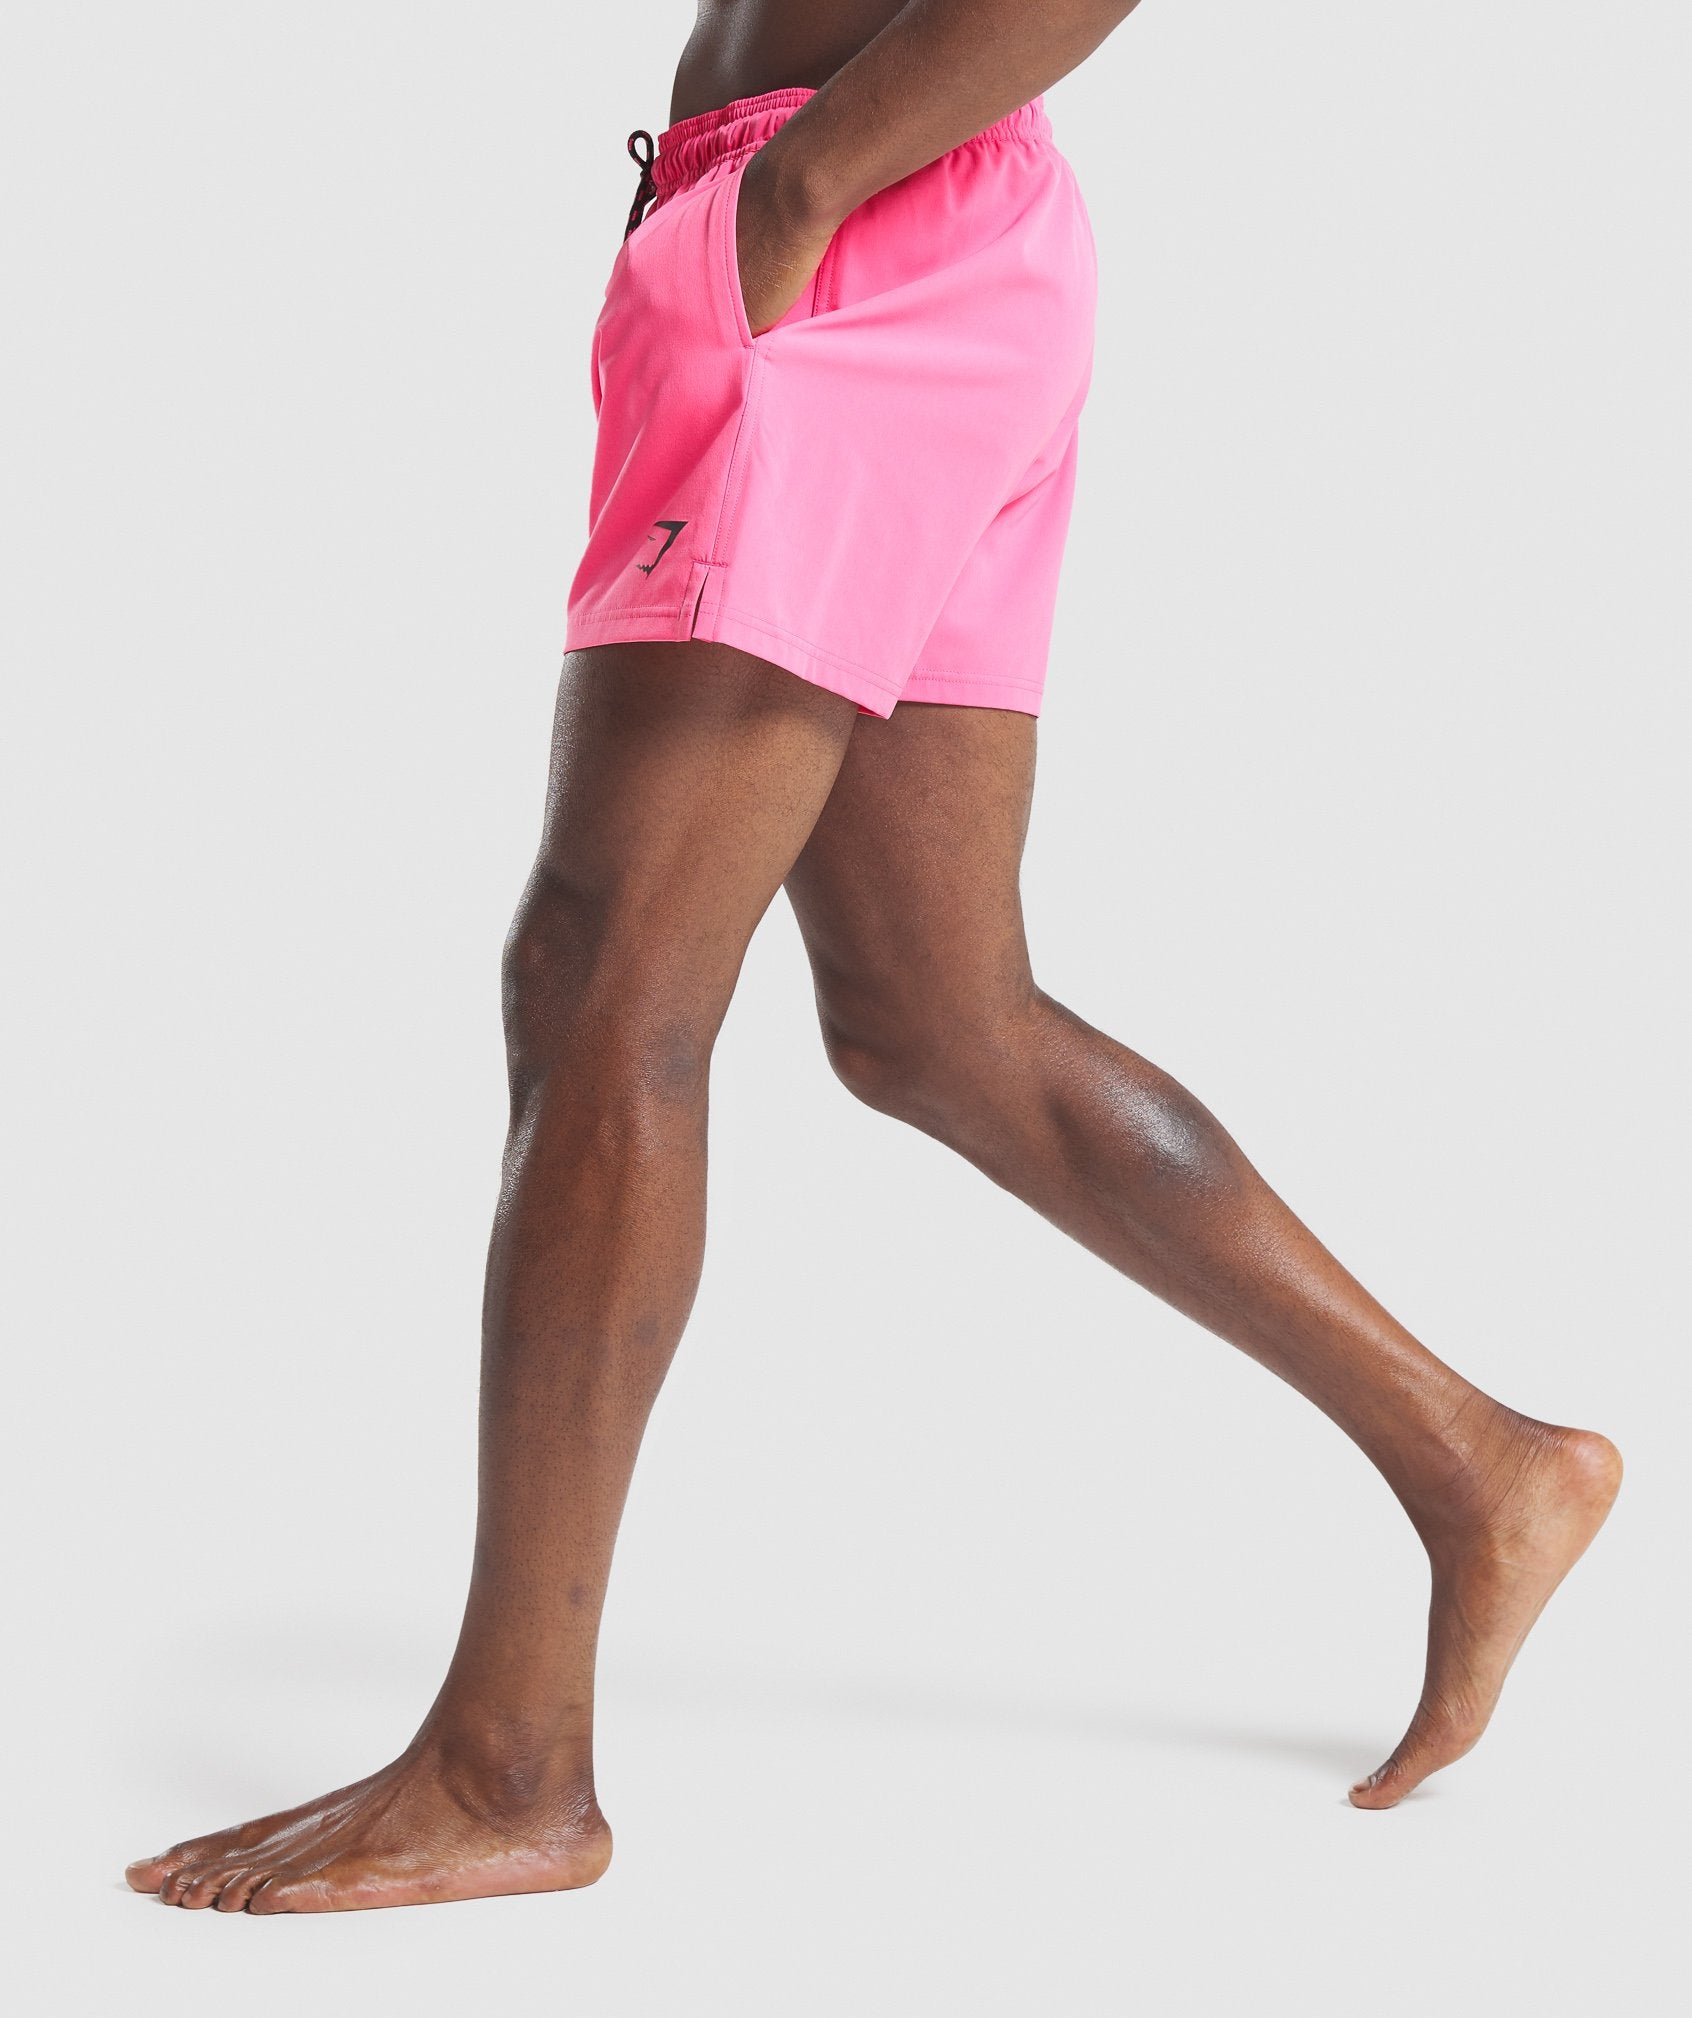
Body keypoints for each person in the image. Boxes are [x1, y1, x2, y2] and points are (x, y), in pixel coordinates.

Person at [126, 0, 1620, 1915]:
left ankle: (509, 1769)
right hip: (901, 228)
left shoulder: (823, 198)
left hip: (851, 240)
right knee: (934, 1015)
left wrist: (801, 187)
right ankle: (1481, 1462)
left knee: (600, 978)